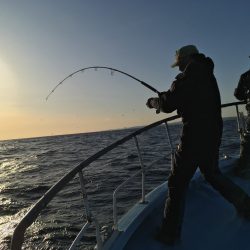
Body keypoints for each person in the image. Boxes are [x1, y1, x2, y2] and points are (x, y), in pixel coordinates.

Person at [146, 45, 250, 245]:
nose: (178, 69)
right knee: (212, 174)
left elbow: (169, 103)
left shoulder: (190, 73)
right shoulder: (206, 72)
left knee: (177, 183)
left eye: (179, 64)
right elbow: (187, 98)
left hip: (195, 136)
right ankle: (246, 206)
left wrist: (154, 102)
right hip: (213, 133)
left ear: (186, 59)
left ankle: (169, 234)